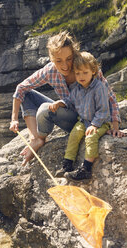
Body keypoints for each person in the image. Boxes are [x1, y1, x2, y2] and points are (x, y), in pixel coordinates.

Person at [9, 31, 124, 166]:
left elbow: (110, 97)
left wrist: (115, 125)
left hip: (86, 122)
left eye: (69, 59)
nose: (65, 65)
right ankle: (36, 139)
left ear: (74, 54)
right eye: (59, 61)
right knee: (28, 94)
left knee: (45, 109)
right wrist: (14, 119)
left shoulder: (85, 67)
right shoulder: (50, 71)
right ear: (52, 59)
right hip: (67, 112)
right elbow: (21, 88)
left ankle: (40, 138)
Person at [49, 51, 111, 181]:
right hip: (83, 121)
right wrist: (61, 103)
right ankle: (67, 164)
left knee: (91, 137)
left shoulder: (99, 87)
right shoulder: (76, 88)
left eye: (85, 72)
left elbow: (103, 110)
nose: (81, 76)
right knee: (75, 134)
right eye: (77, 73)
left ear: (93, 71)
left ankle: (86, 169)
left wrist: (95, 124)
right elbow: (70, 101)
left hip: (100, 122)